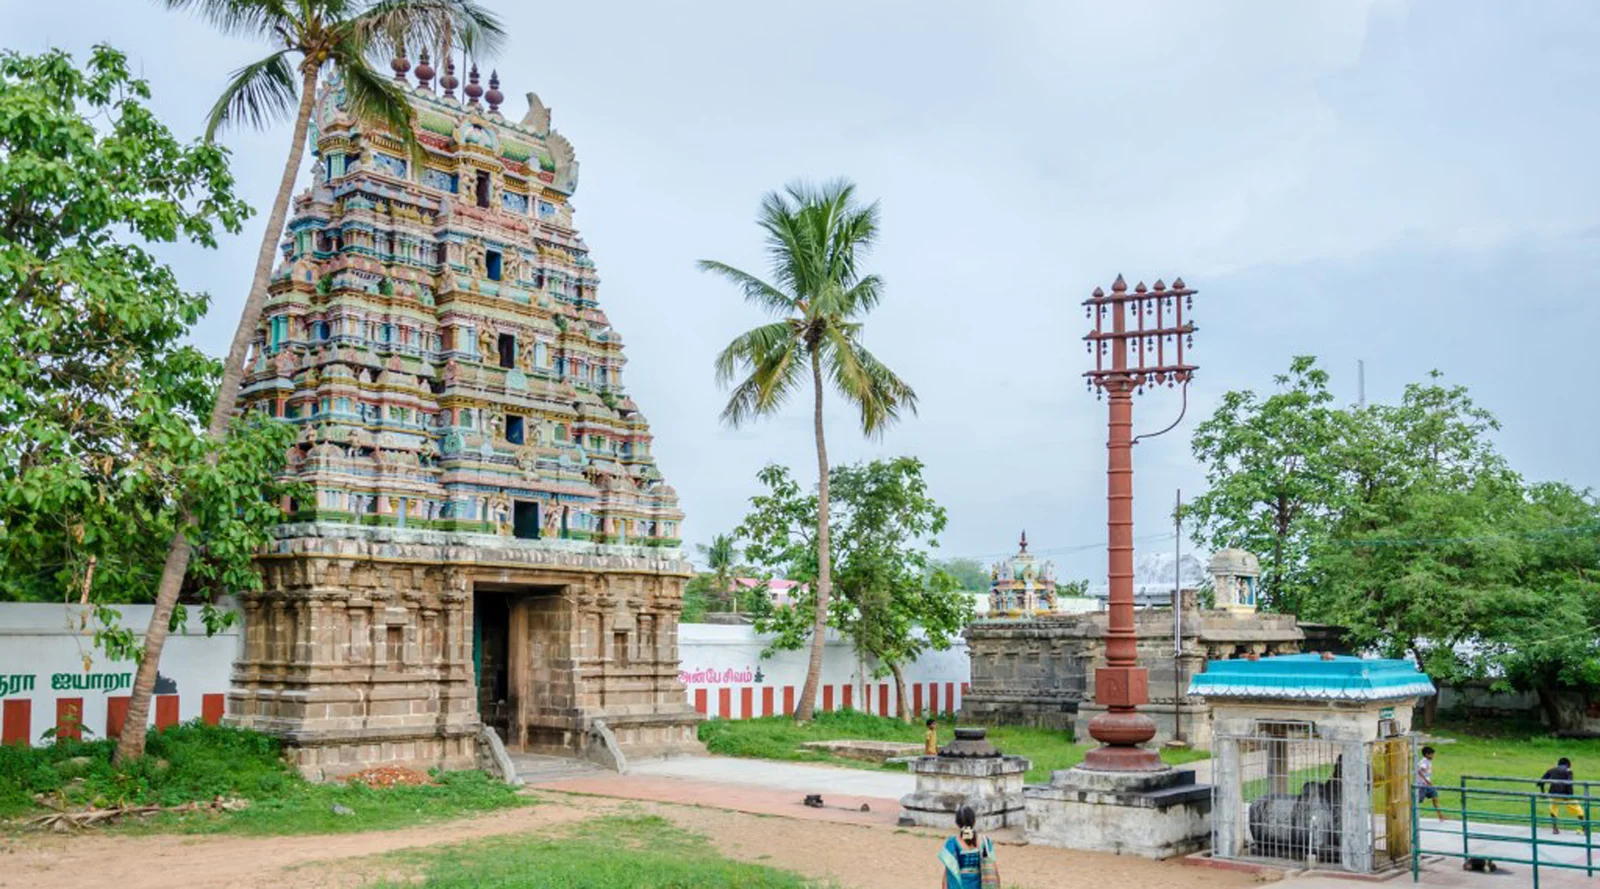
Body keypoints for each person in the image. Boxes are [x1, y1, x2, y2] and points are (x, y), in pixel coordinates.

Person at [939, 804, 999, 889]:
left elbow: (947, 876)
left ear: (957, 823)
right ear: (974, 822)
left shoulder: (952, 844)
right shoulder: (984, 842)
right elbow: (994, 870)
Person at [1539, 757, 1584, 835]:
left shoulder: (1552, 770)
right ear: (1567, 764)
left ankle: (1555, 829)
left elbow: (1541, 782)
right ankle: (1585, 828)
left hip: (1554, 793)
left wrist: (1543, 792)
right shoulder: (1568, 771)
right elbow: (1569, 783)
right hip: (1566, 793)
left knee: (1553, 809)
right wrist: (1570, 796)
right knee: (1577, 809)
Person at [1417, 746, 1444, 822]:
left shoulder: (1428, 761)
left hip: (1428, 785)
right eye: (1432, 754)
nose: (1433, 756)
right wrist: (1426, 780)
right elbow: (1419, 770)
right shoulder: (1424, 762)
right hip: (1422, 785)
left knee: (1435, 797)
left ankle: (1441, 816)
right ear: (1427, 754)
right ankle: (1409, 815)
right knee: (1417, 801)